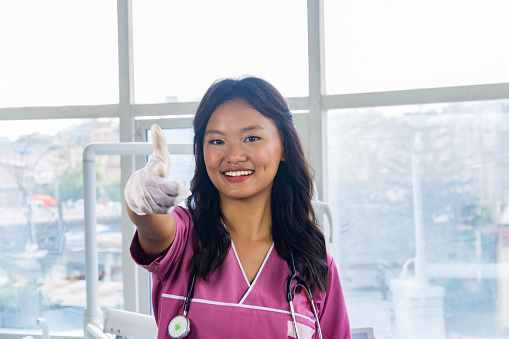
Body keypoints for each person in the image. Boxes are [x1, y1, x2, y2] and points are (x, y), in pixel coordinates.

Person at [124, 76, 351, 338]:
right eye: (217, 141)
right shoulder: (183, 237)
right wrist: (143, 197)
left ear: (284, 147)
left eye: (252, 138)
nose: (233, 156)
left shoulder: (314, 262)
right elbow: (152, 224)